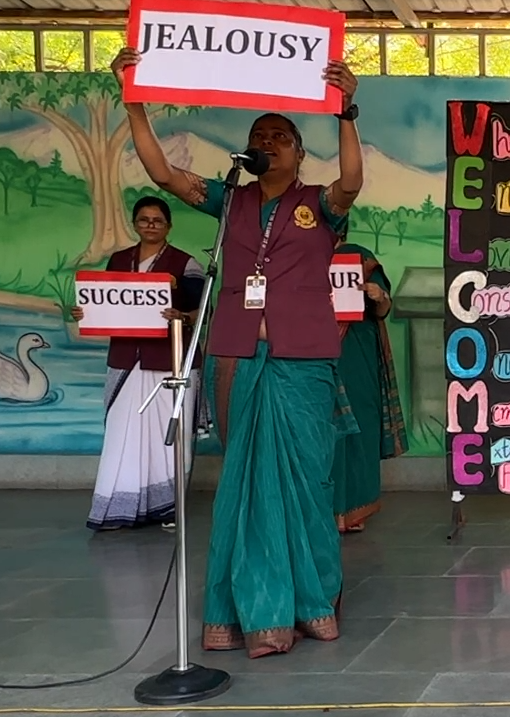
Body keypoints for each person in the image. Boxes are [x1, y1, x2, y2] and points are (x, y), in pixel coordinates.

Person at [111, 47, 363, 658]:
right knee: (243, 483)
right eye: (259, 136)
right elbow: (164, 175)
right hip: (238, 358)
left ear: (299, 153)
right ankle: (244, 610)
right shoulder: (231, 201)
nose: (267, 142)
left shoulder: (319, 205)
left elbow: (352, 181)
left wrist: (346, 112)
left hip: (302, 360)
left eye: (280, 137)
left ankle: (311, 602)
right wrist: (134, 102)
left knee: (307, 482)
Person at [71, 196, 205, 532]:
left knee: (168, 437)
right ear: (134, 224)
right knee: (122, 433)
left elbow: (203, 308)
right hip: (126, 359)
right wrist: (87, 313)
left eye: (157, 220)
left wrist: (182, 314)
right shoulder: (119, 260)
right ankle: (117, 506)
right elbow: (106, 303)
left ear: (168, 225)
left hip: (170, 361)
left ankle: (167, 507)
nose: (150, 225)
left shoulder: (186, 264)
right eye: (144, 219)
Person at [332, 230, 407, 533]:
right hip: (312, 349)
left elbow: (383, 307)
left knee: (359, 422)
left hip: (355, 351)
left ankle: (353, 510)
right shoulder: (298, 254)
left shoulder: (357, 256)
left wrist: (379, 296)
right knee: (321, 429)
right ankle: (321, 511)